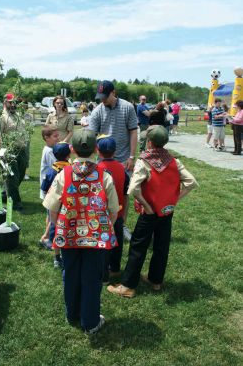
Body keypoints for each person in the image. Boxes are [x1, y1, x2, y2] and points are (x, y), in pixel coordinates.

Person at [43, 129, 119, 334]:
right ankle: (91, 321)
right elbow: (113, 210)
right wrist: (105, 227)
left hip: (68, 235)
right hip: (96, 237)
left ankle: (73, 314)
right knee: (92, 277)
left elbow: (52, 206)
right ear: (96, 149)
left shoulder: (63, 174)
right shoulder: (105, 176)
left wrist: (57, 226)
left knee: (71, 273)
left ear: (72, 150)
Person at [107, 125, 198, 298]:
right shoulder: (173, 160)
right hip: (166, 212)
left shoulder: (144, 161)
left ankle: (127, 286)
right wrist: (174, 200)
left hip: (149, 215)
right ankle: (155, 280)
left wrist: (147, 207)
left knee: (138, 247)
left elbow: (133, 189)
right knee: (161, 246)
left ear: (149, 142)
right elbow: (191, 182)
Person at [89, 80, 138, 241]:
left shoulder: (127, 107)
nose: (102, 100)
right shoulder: (97, 111)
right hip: (102, 160)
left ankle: (121, 224)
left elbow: (133, 132)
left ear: (113, 93)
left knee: (124, 194)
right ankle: (103, 222)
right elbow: (91, 136)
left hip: (124, 159)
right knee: (102, 193)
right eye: (100, 96)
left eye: (105, 96)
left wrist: (131, 156)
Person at [97, 136, 130, 283]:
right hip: (119, 211)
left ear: (98, 151)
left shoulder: (96, 170)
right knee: (117, 241)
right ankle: (115, 268)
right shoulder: (122, 169)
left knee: (104, 244)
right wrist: (124, 215)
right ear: (115, 151)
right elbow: (125, 194)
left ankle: (104, 276)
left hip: (102, 214)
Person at [0, 93, 27, 212]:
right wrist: (5, 150)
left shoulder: (18, 116)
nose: (13, 104)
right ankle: (16, 203)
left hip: (21, 150)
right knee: (11, 176)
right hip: (8, 151)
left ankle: (5, 193)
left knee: (20, 174)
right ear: (4, 103)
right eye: (10, 102)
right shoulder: (0, 117)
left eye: (14, 102)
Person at [41, 142, 71, 267]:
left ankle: (56, 258)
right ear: (69, 155)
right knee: (67, 228)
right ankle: (65, 255)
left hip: (53, 205)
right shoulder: (71, 170)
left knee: (55, 228)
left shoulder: (50, 172)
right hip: (67, 206)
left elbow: (44, 188)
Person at [39, 126, 60, 249]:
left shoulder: (50, 149)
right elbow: (58, 164)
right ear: (47, 138)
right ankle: (46, 237)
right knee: (53, 213)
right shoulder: (49, 151)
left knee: (49, 213)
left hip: (49, 186)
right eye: (55, 136)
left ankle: (46, 236)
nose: (59, 138)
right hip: (49, 188)